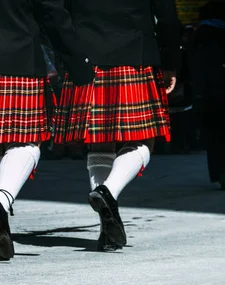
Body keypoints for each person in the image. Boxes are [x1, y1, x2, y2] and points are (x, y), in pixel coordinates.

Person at [0, 0, 94, 262]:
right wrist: (78, 61)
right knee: (27, 143)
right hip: (19, 56)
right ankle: (0, 201)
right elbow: (51, 12)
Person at [54, 0, 180, 252]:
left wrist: (67, 56)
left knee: (99, 144)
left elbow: (59, 12)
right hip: (135, 56)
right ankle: (108, 191)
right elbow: (166, 18)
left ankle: (107, 229)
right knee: (144, 140)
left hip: (86, 57)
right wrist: (170, 62)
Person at [190, 3, 225, 190]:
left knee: (213, 136)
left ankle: (219, 171)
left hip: (207, 94)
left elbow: (192, 65)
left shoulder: (198, 37)